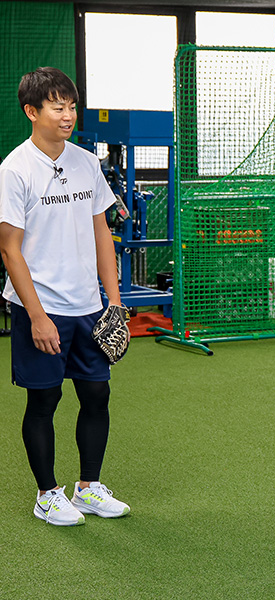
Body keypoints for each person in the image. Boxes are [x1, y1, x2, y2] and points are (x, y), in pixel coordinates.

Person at [0, 67, 131, 526]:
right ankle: (47, 494)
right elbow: (9, 248)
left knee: (97, 394)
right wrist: (36, 317)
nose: (68, 115)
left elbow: (100, 230)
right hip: (40, 307)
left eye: (72, 106)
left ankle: (89, 487)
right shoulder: (14, 170)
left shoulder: (85, 162)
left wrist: (113, 301)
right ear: (31, 112)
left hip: (88, 306)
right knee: (45, 401)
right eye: (57, 107)